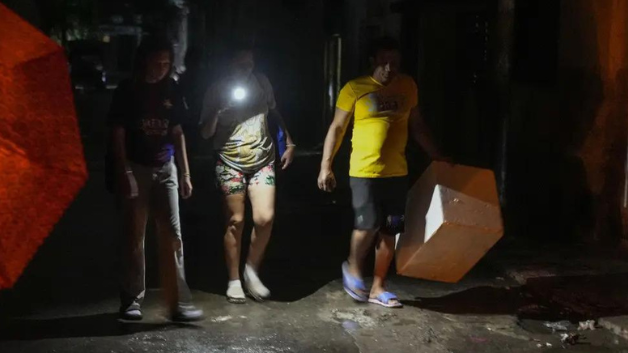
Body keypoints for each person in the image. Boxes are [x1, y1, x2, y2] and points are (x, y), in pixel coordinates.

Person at [317, 35, 447, 309]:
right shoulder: (355, 89)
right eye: (385, 62)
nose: (390, 68)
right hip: (364, 173)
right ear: (373, 61)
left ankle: (378, 287)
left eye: (395, 62)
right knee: (368, 223)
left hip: (396, 174)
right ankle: (353, 267)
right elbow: (337, 128)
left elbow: (418, 126)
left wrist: (438, 157)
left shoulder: (408, 86)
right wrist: (326, 166)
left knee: (390, 230)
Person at [108, 38, 203, 323]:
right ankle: (132, 299)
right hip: (137, 167)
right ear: (144, 61)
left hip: (166, 168)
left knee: (173, 235)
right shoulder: (128, 90)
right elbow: (118, 133)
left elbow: (177, 132)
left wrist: (185, 173)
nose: (162, 69)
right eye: (157, 63)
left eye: (166, 63)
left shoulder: (171, 89)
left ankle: (177, 303)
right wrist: (124, 171)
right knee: (134, 236)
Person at [200, 44, 295, 303]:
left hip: (262, 158)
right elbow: (206, 133)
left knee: (265, 218)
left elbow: (274, 113)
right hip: (229, 160)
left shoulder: (262, 83)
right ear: (229, 65)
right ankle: (233, 280)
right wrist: (220, 112)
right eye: (240, 64)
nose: (246, 69)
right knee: (236, 220)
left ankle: (251, 270)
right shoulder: (216, 89)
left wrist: (287, 139)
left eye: (249, 64)